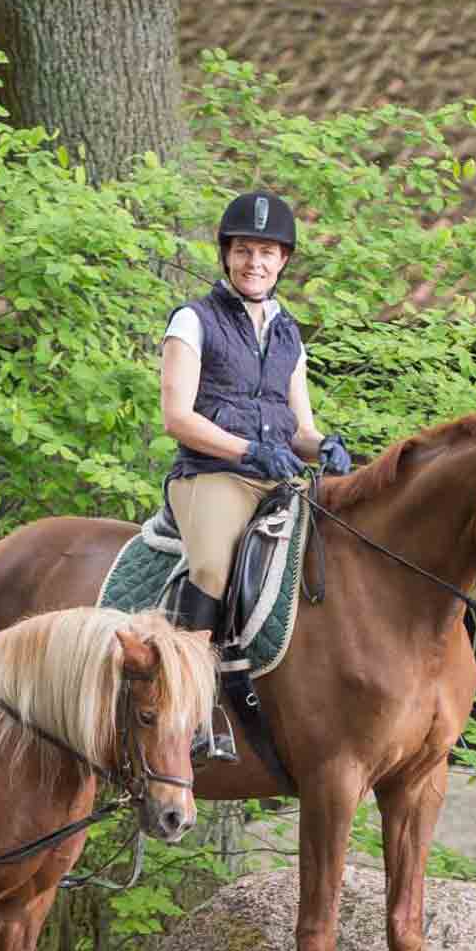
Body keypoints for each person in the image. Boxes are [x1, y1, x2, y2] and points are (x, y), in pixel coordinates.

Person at [159, 191, 356, 742]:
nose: (255, 263)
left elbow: (299, 428)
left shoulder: (288, 331)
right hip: (210, 476)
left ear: (283, 260)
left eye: (267, 253)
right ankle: (184, 708)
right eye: (244, 250)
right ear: (226, 254)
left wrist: (325, 445)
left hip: (277, 478)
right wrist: (245, 450)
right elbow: (177, 417)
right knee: (213, 568)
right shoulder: (193, 321)